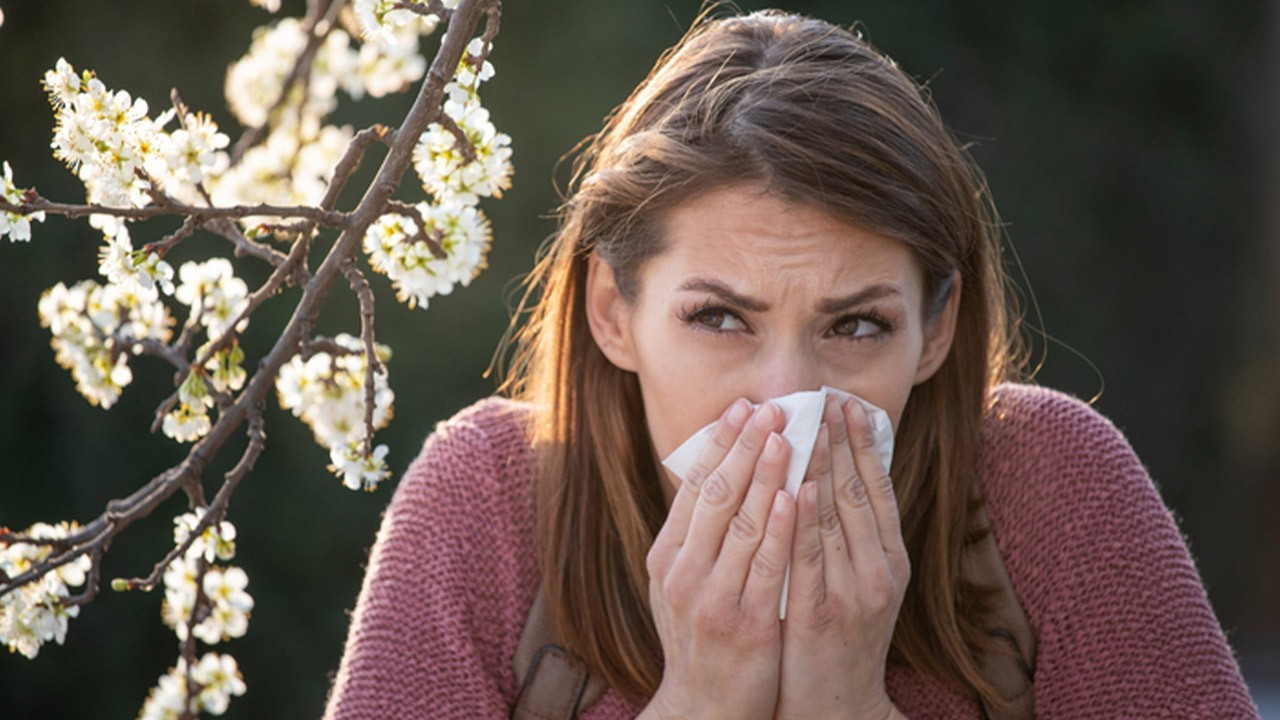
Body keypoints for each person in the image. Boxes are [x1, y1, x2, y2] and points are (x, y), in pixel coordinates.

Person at [322, 9, 1259, 719]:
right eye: (721, 318)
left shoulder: (1043, 484)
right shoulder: (491, 504)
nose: (787, 396)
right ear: (615, 314)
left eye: (854, 328)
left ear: (935, 331)